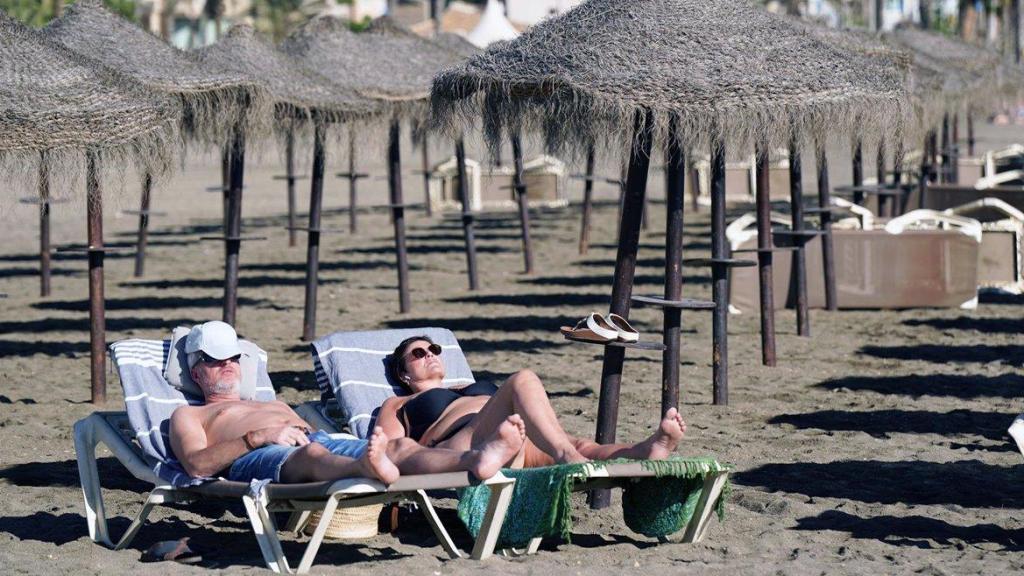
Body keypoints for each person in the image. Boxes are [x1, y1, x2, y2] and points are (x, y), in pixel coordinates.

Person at [169, 322, 525, 485]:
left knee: (398, 446)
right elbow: (198, 465)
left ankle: (476, 460)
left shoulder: (272, 400)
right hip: (257, 457)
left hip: (315, 442)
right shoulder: (189, 414)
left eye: (234, 357)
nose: (229, 365)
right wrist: (257, 437)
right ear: (197, 371)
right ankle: (364, 470)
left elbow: (313, 436)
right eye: (216, 360)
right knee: (312, 456)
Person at [376, 335, 687, 468]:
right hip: (459, 444)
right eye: (418, 353)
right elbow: (390, 450)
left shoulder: (469, 384)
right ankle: (565, 455)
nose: (429, 355)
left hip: (511, 436)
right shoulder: (396, 404)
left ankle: (645, 451)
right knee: (523, 379)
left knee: (582, 446)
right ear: (404, 373)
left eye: (433, 350)